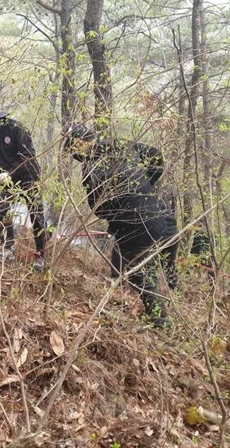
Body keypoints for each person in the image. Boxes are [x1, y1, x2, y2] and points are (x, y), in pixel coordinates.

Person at [62, 123, 174, 328]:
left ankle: (161, 322)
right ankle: (126, 289)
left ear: (79, 145)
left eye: (72, 149)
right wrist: (147, 187)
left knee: (142, 274)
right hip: (155, 216)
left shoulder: (91, 170)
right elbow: (156, 156)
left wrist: (124, 206)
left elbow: (99, 209)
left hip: (134, 226)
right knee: (138, 266)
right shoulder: (120, 145)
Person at [0, 97, 48, 271]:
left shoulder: (16, 129)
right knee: (0, 207)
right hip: (4, 179)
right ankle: (9, 249)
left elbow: (28, 157)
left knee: (36, 215)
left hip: (27, 176)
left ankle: (42, 255)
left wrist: (9, 173)